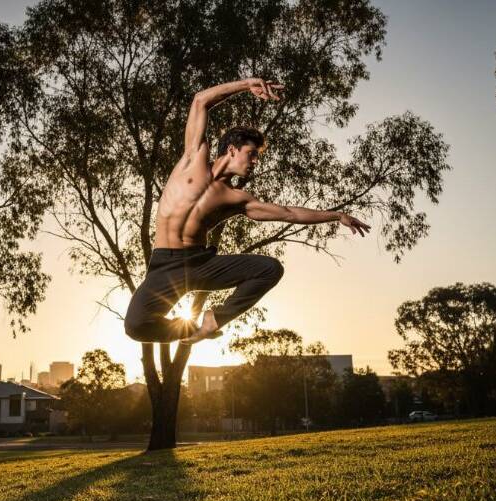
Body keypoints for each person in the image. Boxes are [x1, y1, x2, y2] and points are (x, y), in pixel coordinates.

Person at [124, 77, 371, 344]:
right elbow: (200, 100)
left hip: (199, 265)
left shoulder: (237, 198)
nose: (255, 162)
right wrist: (247, 85)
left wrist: (336, 215)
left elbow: (289, 213)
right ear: (231, 149)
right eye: (251, 154)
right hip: (164, 266)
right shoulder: (193, 158)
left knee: (269, 268)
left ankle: (214, 320)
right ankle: (192, 330)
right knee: (136, 326)